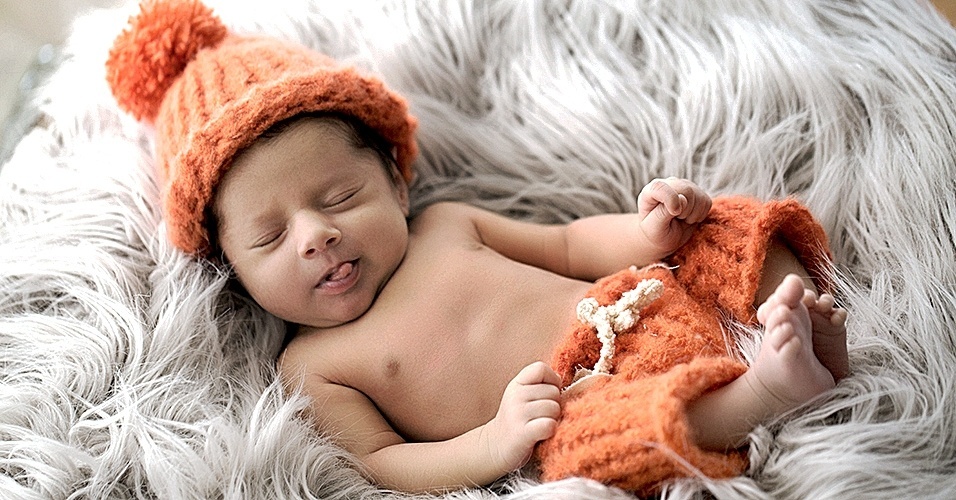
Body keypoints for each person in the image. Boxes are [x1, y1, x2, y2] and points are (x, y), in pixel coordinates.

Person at [106, 0, 848, 495]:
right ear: (227, 267)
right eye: (270, 236)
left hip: (640, 303)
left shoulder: (444, 226)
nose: (317, 234)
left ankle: (785, 310)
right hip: (582, 401)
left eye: (341, 198)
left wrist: (649, 230)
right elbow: (382, 463)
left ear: (397, 187)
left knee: (721, 220)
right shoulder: (314, 364)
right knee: (593, 450)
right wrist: (494, 442)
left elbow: (565, 244)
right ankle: (768, 388)